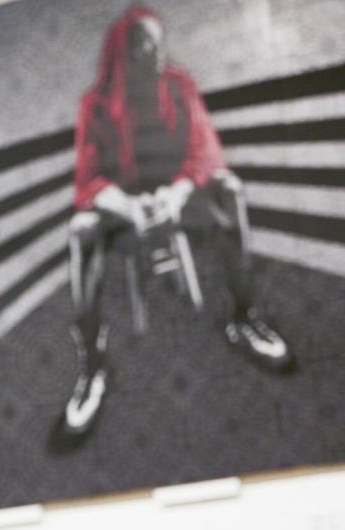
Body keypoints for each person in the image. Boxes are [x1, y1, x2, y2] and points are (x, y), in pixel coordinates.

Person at [64, 5, 293, 434]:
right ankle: (93, 366)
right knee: (81, 231)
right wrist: (130, 207)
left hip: (178, 196)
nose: (155, 52)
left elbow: (204, 153)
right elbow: (89, 180)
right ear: (122, 53)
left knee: (229, 188)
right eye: (143, 45)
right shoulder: (94, 104)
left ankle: (243, 316)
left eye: (158, 42)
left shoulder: (180, 86)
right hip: (123, 210)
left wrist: (175, 194)